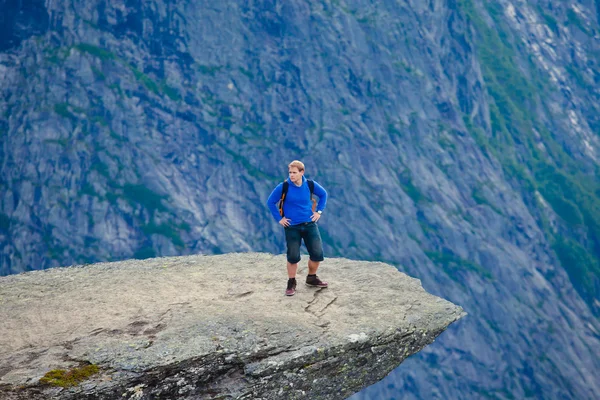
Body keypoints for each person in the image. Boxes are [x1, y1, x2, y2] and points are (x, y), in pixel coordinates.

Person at [267, 160, 328, 296]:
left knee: (317, 254)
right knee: (293, 256)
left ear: (302, 172)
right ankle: (291, 282)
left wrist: (318, 212)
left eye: (294, 173)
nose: (291, 175)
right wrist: (280, 219)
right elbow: (270, 202)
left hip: (309, 224)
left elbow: (324, 195)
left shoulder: (310, 185)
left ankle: (311, 278)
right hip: (292, 226)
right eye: (290, 172)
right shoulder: (284, 187)